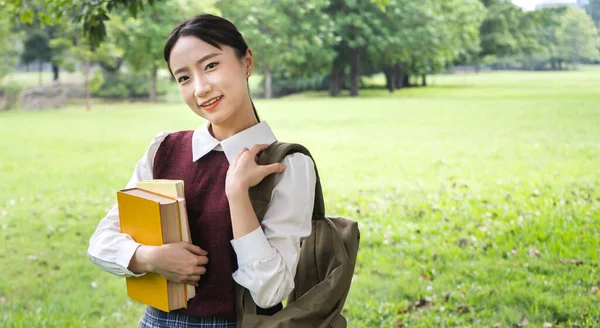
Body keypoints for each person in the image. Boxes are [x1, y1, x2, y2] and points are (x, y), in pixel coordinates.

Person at [87, 13, 317, 328]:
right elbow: (101, 242)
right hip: (156, 321)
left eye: (210, 66)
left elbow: (270, 291)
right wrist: (150, 258)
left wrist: (238, 194)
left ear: (246, 61)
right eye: (184, 77)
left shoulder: (287, 164)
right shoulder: (164, 149)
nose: (200, 89)